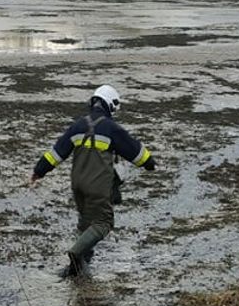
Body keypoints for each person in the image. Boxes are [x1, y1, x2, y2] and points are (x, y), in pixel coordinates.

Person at [30, 84, 157, 278]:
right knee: (103, 223)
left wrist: (39, 171)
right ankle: (76, 253)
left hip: (77, 185)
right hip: (97, 186)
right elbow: (137, 153)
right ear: (111, 105)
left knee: (85, 224)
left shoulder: (78, 125)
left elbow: (56, 153)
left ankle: (77, 269)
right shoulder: (111, 128)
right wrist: (150, 164)